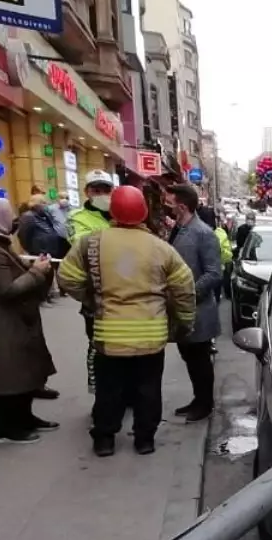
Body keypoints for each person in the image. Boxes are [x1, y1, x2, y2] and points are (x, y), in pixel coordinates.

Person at [58, 186, 196, 457]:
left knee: (109, 389)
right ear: (144, 213)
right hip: (151, 336)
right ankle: (145, 440)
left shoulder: (91, 243)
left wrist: (90, 298)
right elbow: (184, 288)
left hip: (109, 335)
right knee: (148, 389)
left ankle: (105, 439)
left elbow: (67, 277)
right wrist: (184, 321)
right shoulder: (161, 248)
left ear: (113, 211)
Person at [0, 198, 57, 444]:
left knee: (23, 370)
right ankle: (7, 428)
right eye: (5, 214)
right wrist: (37, 271)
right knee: (7, 374)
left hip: (16, 318)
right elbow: (6, 289)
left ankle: (25, 418)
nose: (12, 218)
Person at [165, 183, 222, 422]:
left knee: (199, 360)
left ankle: (204, 404)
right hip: (181, 310)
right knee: (189, 357)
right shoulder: (180, 229)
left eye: (169, 202)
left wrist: (188, 294)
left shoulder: (203, 233)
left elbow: (214, 273)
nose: (165, 206)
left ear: (181, 205)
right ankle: (197, 400)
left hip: (198, 310)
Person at [68, 171, 115, 393]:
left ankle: (123, 392)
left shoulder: (120, 213)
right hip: (95, 294)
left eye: (106, 190)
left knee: (122, 345)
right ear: (86, 192)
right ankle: (100, 393)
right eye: (97, 190)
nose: (103, 195)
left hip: (123, 291)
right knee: (98, 346)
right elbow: (83, 249)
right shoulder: (78, 218)